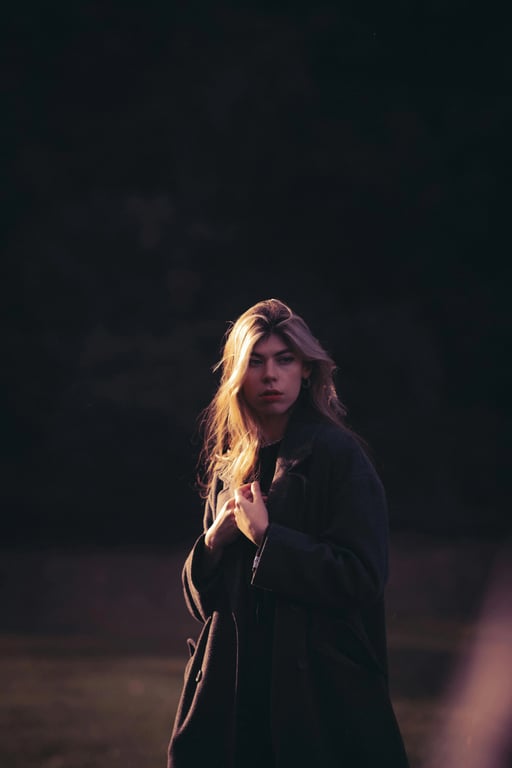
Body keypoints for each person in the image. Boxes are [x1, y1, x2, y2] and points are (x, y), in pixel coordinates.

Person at [167, 298, 409, 768]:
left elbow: (362, 577)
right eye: (254, 362)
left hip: (315, 699)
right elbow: (203, 608)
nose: (270, 375)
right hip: (233, 694)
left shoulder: (339, 457)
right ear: (238, 374)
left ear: (307, 370)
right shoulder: (230, 464)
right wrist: (213, 543)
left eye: (284, 359)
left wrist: (269, 540)